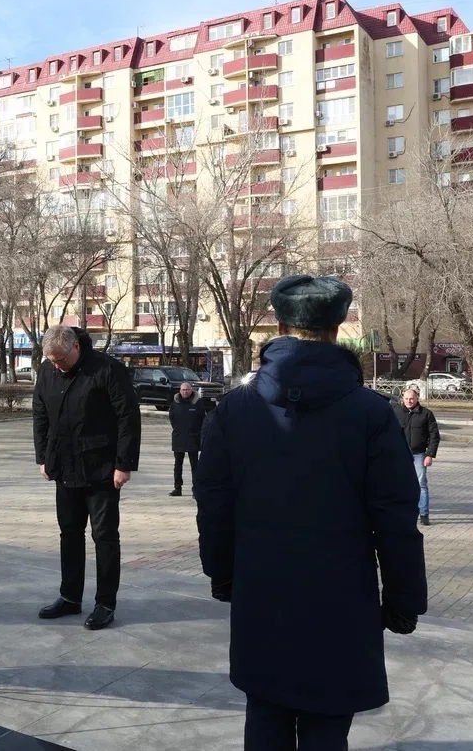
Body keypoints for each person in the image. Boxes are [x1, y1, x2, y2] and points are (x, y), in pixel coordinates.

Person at [195, 275, 427, 751]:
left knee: (265, 717)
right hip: (340, 599)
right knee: (327, 726)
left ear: (281, 326)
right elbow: (395, 517)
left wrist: (222, 573)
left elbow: (214, 500)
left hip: (262, 593)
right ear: (337, 329)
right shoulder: (371, 413)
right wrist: (404, 598)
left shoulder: (235, 408)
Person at [32, 325, 142, 631]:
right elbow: (40, 413)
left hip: (101, 468)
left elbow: (128, 417)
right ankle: (70, 597)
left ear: (76, 348)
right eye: (52, 361)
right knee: (69, 532)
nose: (57, 366)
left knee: (104, 536)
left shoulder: (107, 369)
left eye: (61, 360)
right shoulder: (47, 370)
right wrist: (43, 457)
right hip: (64, 465)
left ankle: (105, 603)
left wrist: (124, 465)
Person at [392, 384, 440, 526]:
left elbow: (434, 435)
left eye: (412, 398)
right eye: (406, 398)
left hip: (419, 455)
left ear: (417, 398)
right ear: (403, 398)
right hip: (399, 455)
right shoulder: (395, 412)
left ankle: (424, 514)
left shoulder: (426, 414)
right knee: (398, 485)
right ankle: (400, 513)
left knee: (421, 485)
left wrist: (430, 454)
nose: (409, 401)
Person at [168, 381, 205, 497]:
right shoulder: (175, 403)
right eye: (183, 390)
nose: (185, 392)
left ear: (191, 390)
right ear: (180, 391)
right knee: (178, 465)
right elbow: (172, 418)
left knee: (195, 465)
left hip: (193, 438)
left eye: (187, 390)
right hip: (178, 437)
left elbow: (202, 419)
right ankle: (177, 488)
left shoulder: (198, 403)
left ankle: (196, 489)